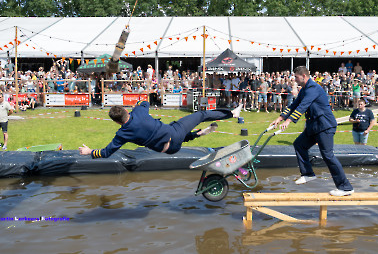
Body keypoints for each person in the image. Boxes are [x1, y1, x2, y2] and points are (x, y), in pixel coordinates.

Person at [270, 66, 354, 197]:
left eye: (296, 77)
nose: (295, 80)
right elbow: (294, 105)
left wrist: (289, 121)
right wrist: (280, 118)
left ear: (303, 76)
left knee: (327, 155)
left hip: (324, 125)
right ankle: (308, 174)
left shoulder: (313, 88)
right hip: (313, 126)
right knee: (299, 144)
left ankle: (345, 187)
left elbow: (304, 106)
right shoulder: (304, 89)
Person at [79, 101, 243, 158]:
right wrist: (136, 106)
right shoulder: (138, 112)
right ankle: (232, 113)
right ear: (126, 111)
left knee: (171, 128)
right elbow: (145, 102)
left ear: (116, 123)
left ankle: (196, 134)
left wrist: (89, 152)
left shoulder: (121, 134)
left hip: (168, 149)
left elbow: (107, 152)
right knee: (200, 115)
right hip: (174, 134)